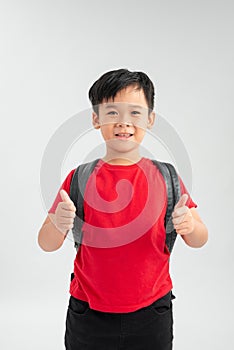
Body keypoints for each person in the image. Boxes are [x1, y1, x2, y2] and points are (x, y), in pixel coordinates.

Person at [38, 69, 208, 350]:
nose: (124, 123)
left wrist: (190, 224)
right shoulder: (78, 178)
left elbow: (199, 238)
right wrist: (58, 222)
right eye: (112, 112)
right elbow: (46, 243)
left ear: (150, 120)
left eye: (135, 113)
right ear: (96, 119)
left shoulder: (167, 177)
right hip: (88, 314)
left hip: (152, 313)